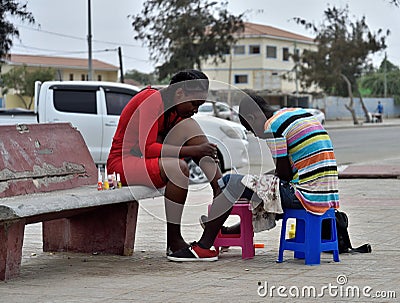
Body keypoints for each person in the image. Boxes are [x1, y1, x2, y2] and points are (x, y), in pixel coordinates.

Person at [107, 70, 224, 261]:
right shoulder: (152, 99)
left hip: (143, 161)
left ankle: (220, 188)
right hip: (123, 164)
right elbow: (147, 148)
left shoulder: (174, 110)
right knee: (178, 168)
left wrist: (201, 150)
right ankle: (174, 242)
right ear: (179, 94)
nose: (195, 110)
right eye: (195, 104)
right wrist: (193, 151)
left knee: (190, 125)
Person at [196, 92, 340, 244]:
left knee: (229, 181)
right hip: (327, 196)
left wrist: (253, 185)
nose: (257, 137)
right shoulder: (297, 113)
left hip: (305, 196)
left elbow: (284, 176)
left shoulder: (272, 126)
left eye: (252, 131)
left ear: (252, 119)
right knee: (265, 193)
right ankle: (227, 231)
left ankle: (207, 238)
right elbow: (287, 172)